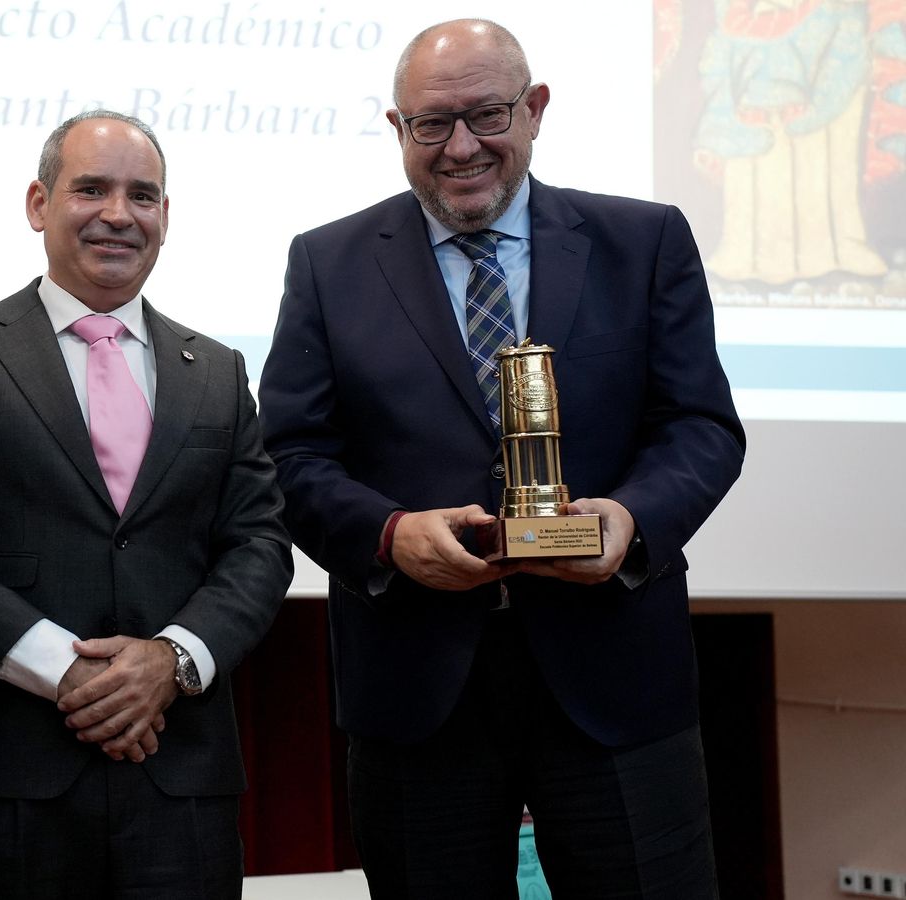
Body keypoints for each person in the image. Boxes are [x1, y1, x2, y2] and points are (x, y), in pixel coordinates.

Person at [258, 19, 746, 900]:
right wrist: (389, 535)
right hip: (418, 689)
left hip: (615, 680)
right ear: (397, 129)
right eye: (429, 125)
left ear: (535, 110)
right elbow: (289, 453)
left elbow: (701, 427)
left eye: (485, 116)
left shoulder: (644, 241)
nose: (460, 147)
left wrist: (631, 522)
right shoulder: (328, 263)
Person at [0, 110, 292, 899]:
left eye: (142, 195)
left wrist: (171, 660)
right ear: (39, 204)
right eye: (91, 189)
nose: (118, 213)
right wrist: (61, 672)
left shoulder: (216, 369)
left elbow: (260, 546)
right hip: (10, 773)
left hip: (180, 774)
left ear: (166, 218)